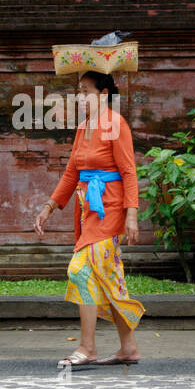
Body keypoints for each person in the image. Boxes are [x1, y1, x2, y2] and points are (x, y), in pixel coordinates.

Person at [33, 71, 145, 367]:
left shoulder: (116, 124)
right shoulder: (83, 128)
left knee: (80, 270)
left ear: (104, 94)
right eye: (78, 92)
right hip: (88, 212)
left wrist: (131, 215)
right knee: (107, 279)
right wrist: (48, 207)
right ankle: (129, 347)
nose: (80, 97)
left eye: (85, 91)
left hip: (109, 209)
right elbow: (72, 173)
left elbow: (129, 172)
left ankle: (87, 347)